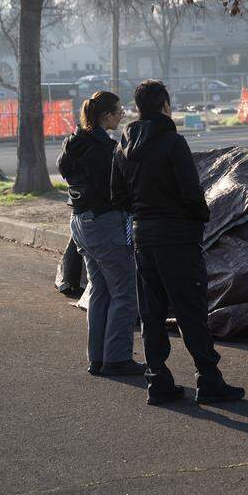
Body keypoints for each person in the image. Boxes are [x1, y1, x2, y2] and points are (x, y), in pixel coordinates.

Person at [110, 79, 245, 405]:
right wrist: (199, 218)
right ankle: (208, 379)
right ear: (165, 105)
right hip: (177, 238)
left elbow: (117, 196)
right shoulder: (172, 142)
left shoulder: (123, 146)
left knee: (152, 313)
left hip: (144, 236)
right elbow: (191, 193)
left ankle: (157, 380)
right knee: (190, 311)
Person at [57, 91, 144, 377]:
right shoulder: (103, 149)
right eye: (118, 111)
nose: (122, 115)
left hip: (81, 223)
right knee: (125, 293)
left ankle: (98, 357)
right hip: (106, 224)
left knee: (100, 292)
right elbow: (116, 189)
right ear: (106, 115)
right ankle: (117, 358)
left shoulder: (75, 143)